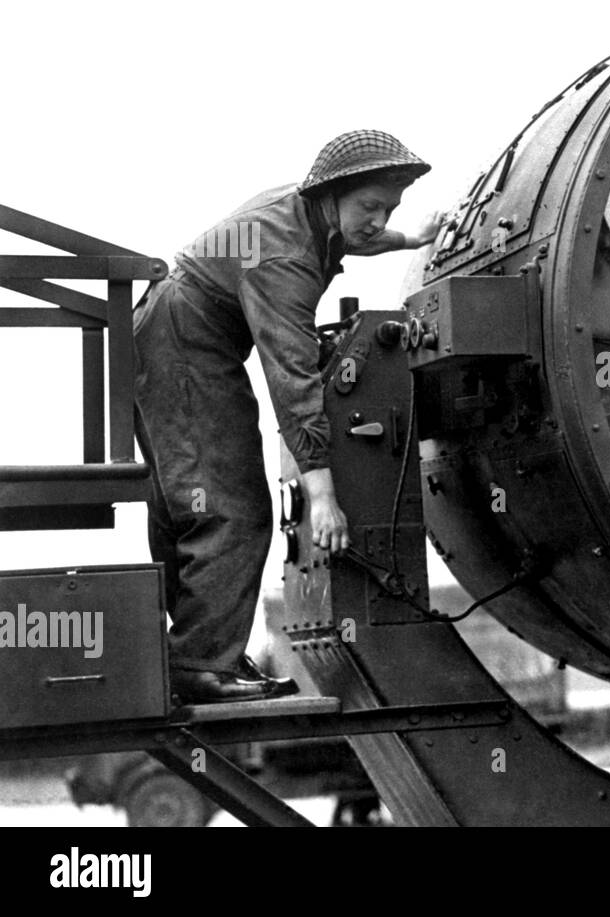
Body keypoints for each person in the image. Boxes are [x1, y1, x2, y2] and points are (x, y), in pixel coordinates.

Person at [133, 130, 439, 704]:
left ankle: (196, 655)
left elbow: (354, 235)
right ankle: (199, 665)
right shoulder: (283, 258)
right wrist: (321, 492)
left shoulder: (307, 213)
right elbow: (291, 383)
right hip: (184, 346)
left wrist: (407, 238)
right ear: (332, 192)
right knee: (231, 508)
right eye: (371, 205)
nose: (378, 219)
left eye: (389, 208)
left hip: (166, 334)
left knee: (186, 505)